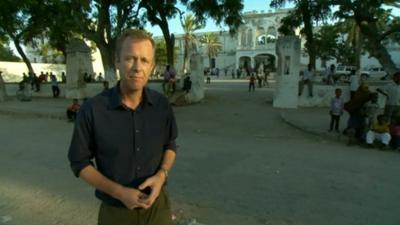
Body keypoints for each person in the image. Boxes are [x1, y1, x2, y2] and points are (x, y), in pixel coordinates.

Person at [68, 29, 178, 225]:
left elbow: (170, 145)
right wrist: (119, 192)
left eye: (144, 60)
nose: (137, 67)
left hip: (158, 209)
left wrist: (162, 175)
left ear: (152, 66)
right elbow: (80, 163)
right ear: (117, 61)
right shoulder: (92, 110)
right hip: (115, 213)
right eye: (130, 59)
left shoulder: (162, 106)